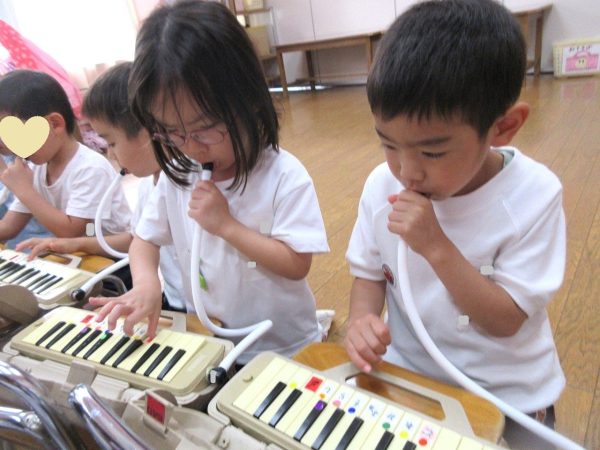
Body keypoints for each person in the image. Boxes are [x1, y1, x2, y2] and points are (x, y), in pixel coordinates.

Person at [344, 1, 565, 448]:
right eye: (388, 144)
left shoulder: (534, 195)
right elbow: (369, 274)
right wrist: (360, 320)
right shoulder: (380, 185)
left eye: (432, 152)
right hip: (413, 382)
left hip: (509, 398)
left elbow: (505, 320)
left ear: (503, 128)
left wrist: (437, 247)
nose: (406, 171)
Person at [90, 1, 329, 364]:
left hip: (283, 346)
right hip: (211, 338)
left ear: (247, 100)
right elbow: (144, 240)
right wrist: (146, 285)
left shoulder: (284, 176)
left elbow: (297, 264)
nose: (189, 146)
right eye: (171, 131)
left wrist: (226, 226)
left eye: (203, 129)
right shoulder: (179, 173)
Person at [15, 63, 188, 312]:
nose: (110, 154)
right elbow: (138, 238)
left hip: (135, 275)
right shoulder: (148, 187)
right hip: (173, 296)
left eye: (112, 143)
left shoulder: (91, 168)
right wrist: (76, 244)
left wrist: (24, 191)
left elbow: (76, 228)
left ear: (147, 133)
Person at [0, 70, 131, 245]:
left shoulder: (90, 167)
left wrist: (24, 190)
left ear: (54, 124)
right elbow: (9, 227)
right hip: (77, 253)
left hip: (113, 255)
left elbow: (71, 231)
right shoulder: (35, 169)